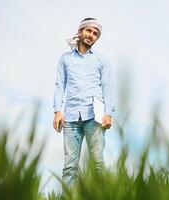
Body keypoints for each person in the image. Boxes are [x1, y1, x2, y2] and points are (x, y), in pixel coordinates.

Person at [52, 17, 114, 185]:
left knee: (97, 163)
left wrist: (108, 113)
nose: (91, 35)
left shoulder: (102, 59)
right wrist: (57, 110)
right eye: (89, 31)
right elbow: (60, 85)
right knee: (70, 167)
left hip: (95, 116)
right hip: (71, 117)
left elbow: (108, 87)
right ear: (80, 31)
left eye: (95, 34)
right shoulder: (65, 59)